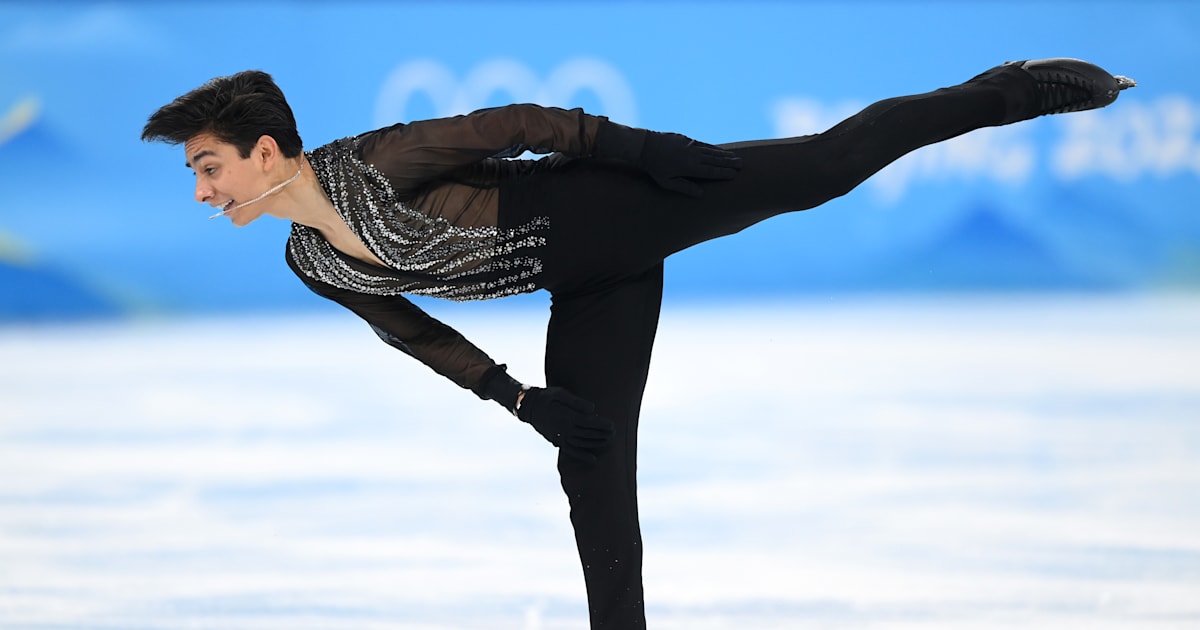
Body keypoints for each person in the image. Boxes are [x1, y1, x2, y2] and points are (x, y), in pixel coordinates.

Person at [142, 57, 1134, 629]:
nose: (202, 191)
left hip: (627, 200)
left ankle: (1019, 89)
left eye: (210, 167)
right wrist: (518, 398)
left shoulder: (380, 164)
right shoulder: (311, 263)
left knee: (830, 165)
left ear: (267, 153)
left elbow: (523, 123)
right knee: (594, 465)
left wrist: (657, 157)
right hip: (586, 287)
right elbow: (412, 329)